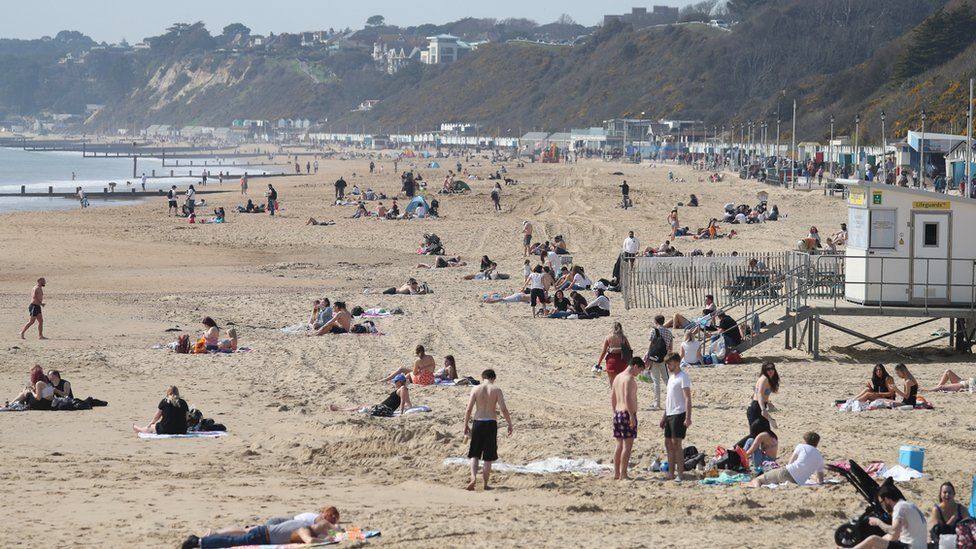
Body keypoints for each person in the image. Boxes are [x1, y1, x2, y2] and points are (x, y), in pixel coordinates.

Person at [464, 369, 513, 491]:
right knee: (488, 456)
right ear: (493, 378)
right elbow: (504, 409)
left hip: (478, 422)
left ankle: (473, 477)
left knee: (474, 454)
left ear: (482, 377)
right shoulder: (496, 390)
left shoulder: (475, 389)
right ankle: (485, 484)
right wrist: (509, 423)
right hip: (490, 422)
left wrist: (465, 424)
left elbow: (469, 409)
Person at [851, 478, 928, 549]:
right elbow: (896, 534)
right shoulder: (909, 505)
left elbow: (894, 533)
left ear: (886, 499)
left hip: (909, 547)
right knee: (883, 539)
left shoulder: (899, 507)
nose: (882, 506)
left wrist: (878, 522)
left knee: (873, 539)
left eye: (881, 503)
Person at [184, 517, 336, 549]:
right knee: (233, 541)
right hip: (263, 535)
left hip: (264, 532)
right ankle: (199, 542)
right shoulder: (304, 529)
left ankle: (202, 541)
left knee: (234, 538)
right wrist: (327, 540)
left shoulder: (306, 524)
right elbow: (309, 541)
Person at [749, 431, 825, 487]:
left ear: (806, 441)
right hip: (797, 481)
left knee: (757, 479)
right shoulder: (820, 457)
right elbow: (820, 480)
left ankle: (757, 490)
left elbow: (790, 463)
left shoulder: (801, 446)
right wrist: (811, 476)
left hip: (787, 472)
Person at [612, 357, 645, 480]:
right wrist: (632, 416)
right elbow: (627, 398)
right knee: (627, 445)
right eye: (640, 370)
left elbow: (613, 397)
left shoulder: (618, 377)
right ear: (635, 366)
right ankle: (623, 474)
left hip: (618, 412)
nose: (639, 374)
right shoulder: (629, 378)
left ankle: (616, 473)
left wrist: (614, 412)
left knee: (619, 444)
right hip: (627, 413)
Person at [661, 353, 692, 481]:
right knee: (668, 443)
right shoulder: (671, 378)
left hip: (679, 413)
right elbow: (669, 399)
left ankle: (680, 474)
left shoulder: (683, 377)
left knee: (676, 443)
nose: (668, 366)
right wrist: (664, 417)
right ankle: (670, 473)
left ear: (677, 363)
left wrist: (688, 417)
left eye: (670, 363)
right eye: (667, 363)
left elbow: (687, 398)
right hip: (670, 413)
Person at [735, 362, 779, 449]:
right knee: (755, 435)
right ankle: (734, 449)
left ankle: (761, 452)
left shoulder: (766, 379)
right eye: (768, 369)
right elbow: (759, 394)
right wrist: (763, 408)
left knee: (764, 434)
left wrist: (767, 403)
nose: (770, 371)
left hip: (758, 407)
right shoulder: (764, 379)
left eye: (772, 368)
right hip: (756, 409)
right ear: (764, 370)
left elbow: (756, 393)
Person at [331, 374, 411, 417]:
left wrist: (401, 413)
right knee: (362, 406)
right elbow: (408, 402)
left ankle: (340, 409)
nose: (394, 383)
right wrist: (411, 408)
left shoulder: (403, 388)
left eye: (395, 381)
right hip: (383, 408)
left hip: (384, 409)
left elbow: (403, 402)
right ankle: (341, 409)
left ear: (399, 382)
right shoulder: (404, 390)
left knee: (360, 407)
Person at [644, 315, 674, 409]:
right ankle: (674, 399)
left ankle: (657, 403)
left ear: (656, 321)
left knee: (656, 381)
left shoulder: (654, 331)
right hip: (664, 358)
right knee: (666, 379)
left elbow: (651, 344)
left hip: (654, 358)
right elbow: (670, 347)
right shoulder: (669, 332)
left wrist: (647, 355)